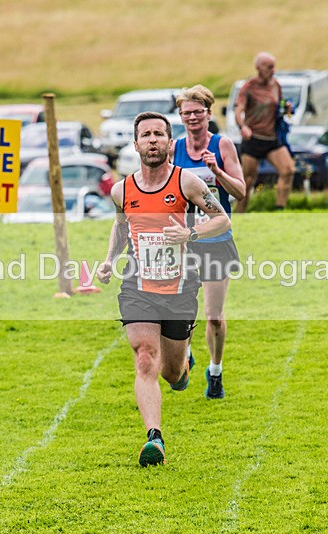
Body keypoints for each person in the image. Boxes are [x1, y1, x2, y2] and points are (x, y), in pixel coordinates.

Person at [96, 112, 231, 466]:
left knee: (172, 375)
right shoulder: (121, 189)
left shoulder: (187, 183)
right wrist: (109, 259)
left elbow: (222, 219)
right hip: (137, 286)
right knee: (144, 357)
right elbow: (121, 227)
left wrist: (190, 233)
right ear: (136, 143)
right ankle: (154, 438)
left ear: (170, 143)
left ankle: (185, 362)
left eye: (159, 134)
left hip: (180, 287)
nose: (152, 140)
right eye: (146, 135)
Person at [172, 85, 245, 399]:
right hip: (181, 240)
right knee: (182, 309)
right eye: (186, 113)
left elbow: (241, 192)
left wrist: (217, 171)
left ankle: (215, 371)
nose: (192, 118)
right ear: (180, 116)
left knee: (213, 316)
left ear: (208, 113)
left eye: (197, 112)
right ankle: (184, 353)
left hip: (216, 238)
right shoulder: (172, 148)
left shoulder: (222, 144)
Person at [233, 51, 295, 213]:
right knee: (247, 181)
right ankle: (239, 215)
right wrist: (243, 127)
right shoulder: (248, 87)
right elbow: (239, 110)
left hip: (272, 138)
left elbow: (279, 103)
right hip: (253, 139)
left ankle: (279, 210)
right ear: (258, 68)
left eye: (274, 66)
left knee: (288, 170)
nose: (273, 70)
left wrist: (286, 107)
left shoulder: (276, 85)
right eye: (269, 67)